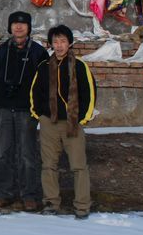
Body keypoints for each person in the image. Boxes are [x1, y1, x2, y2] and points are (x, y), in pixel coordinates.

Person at [31, 25, 97, 219]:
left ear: (70, 43)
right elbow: (35, 92)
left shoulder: (79, 66)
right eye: (55, 41)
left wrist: (82, 117)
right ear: (51, 44)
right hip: (49, 123)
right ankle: (51, 202)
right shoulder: (43, 67)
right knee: (48, 165)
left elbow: (89, 93)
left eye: (63, 41)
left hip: (72, 122)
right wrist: (39, 115)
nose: (59, 46)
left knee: (78, 166)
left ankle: (82, 205)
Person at [0, 11, 48, 211]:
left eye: (23, 24)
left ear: (29, 27)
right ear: (10, 27)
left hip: (27, 110)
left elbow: (44, 81)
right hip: (5, 108)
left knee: (27, 153)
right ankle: (3, 193)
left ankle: (29, 194)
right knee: (2, 153)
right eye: (14, 24)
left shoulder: (38, 52)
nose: (18, 27)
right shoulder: (1, 50)